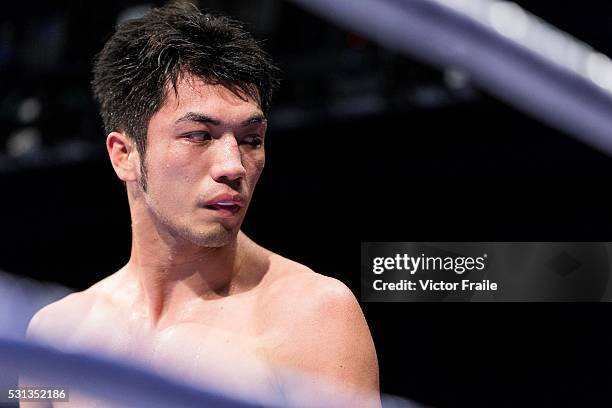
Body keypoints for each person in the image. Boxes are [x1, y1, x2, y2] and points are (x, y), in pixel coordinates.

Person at [23, 3, 379, 407]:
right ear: (124, 155)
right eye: (199, 135)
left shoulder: (316, 318)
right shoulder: (51, 334)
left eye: (251, 139)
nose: (233, 167)